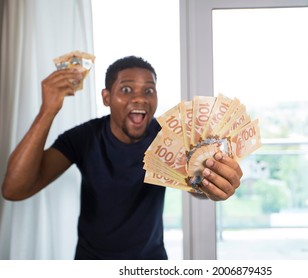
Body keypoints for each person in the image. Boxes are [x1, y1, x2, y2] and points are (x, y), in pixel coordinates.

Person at [1, 55, 243, 260]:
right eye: (126, 89)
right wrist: (48, 109)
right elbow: (14, 189)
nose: (139, 98)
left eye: (149, 90)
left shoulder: (168, 137)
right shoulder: (84, 137)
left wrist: (211, 185)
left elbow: (194, 183)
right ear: (106, 97)